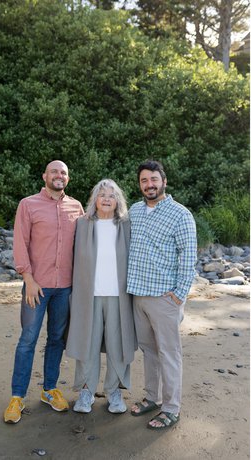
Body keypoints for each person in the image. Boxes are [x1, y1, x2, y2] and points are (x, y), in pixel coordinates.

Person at [5, 160, 85, 424]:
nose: (59, 175)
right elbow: (20, 242)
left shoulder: (76, 207)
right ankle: (17, 397)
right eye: (54, 171)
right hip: (36, 287)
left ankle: (49, 389)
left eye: (63, 172)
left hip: (65, 288)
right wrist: (28, 278)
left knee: (57, 339)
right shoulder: (28, 204)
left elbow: (86, 245)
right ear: (45, 176)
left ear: (68, 178)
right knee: (28, 340)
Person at [126, 160, 197, 430]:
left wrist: (178, 295)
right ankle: (152, 398)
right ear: (140, 185)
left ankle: (171, 408)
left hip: (164, 298)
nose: (149, 185)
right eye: (144, 181)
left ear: (164, 181)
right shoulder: (134, 210)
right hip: (138, 295)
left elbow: (188, 257)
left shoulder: (181, 214)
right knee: (149, 351)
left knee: (169, 353)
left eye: (154, 179)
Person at [65, 179, 136, 414]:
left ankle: (114, 391)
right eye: (102, 194)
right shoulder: (83, 224)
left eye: (112, 195)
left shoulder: (126, 225)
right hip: (88, 296)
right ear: (94, 199)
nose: (106, 199)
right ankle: (86, 392)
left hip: (119, 297)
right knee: (88, 343)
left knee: (118, 345)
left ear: (118, 201)